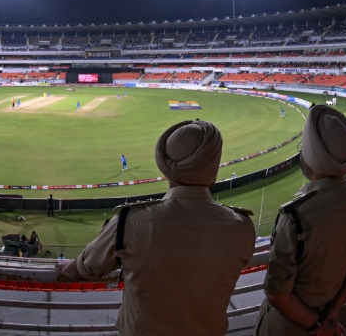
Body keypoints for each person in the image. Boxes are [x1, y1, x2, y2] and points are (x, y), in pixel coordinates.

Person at [56, 120, 256, 336]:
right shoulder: (242, 228)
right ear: (214, 166)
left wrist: (64, 271)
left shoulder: (129, 222)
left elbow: (83, 270)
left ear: (164, 166)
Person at [254, 105, 346, 336]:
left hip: (285, 327)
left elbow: (276, 294)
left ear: (311, 155)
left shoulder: (294, 216)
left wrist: (318, 326)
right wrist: (335, 308)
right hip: (330, 312)